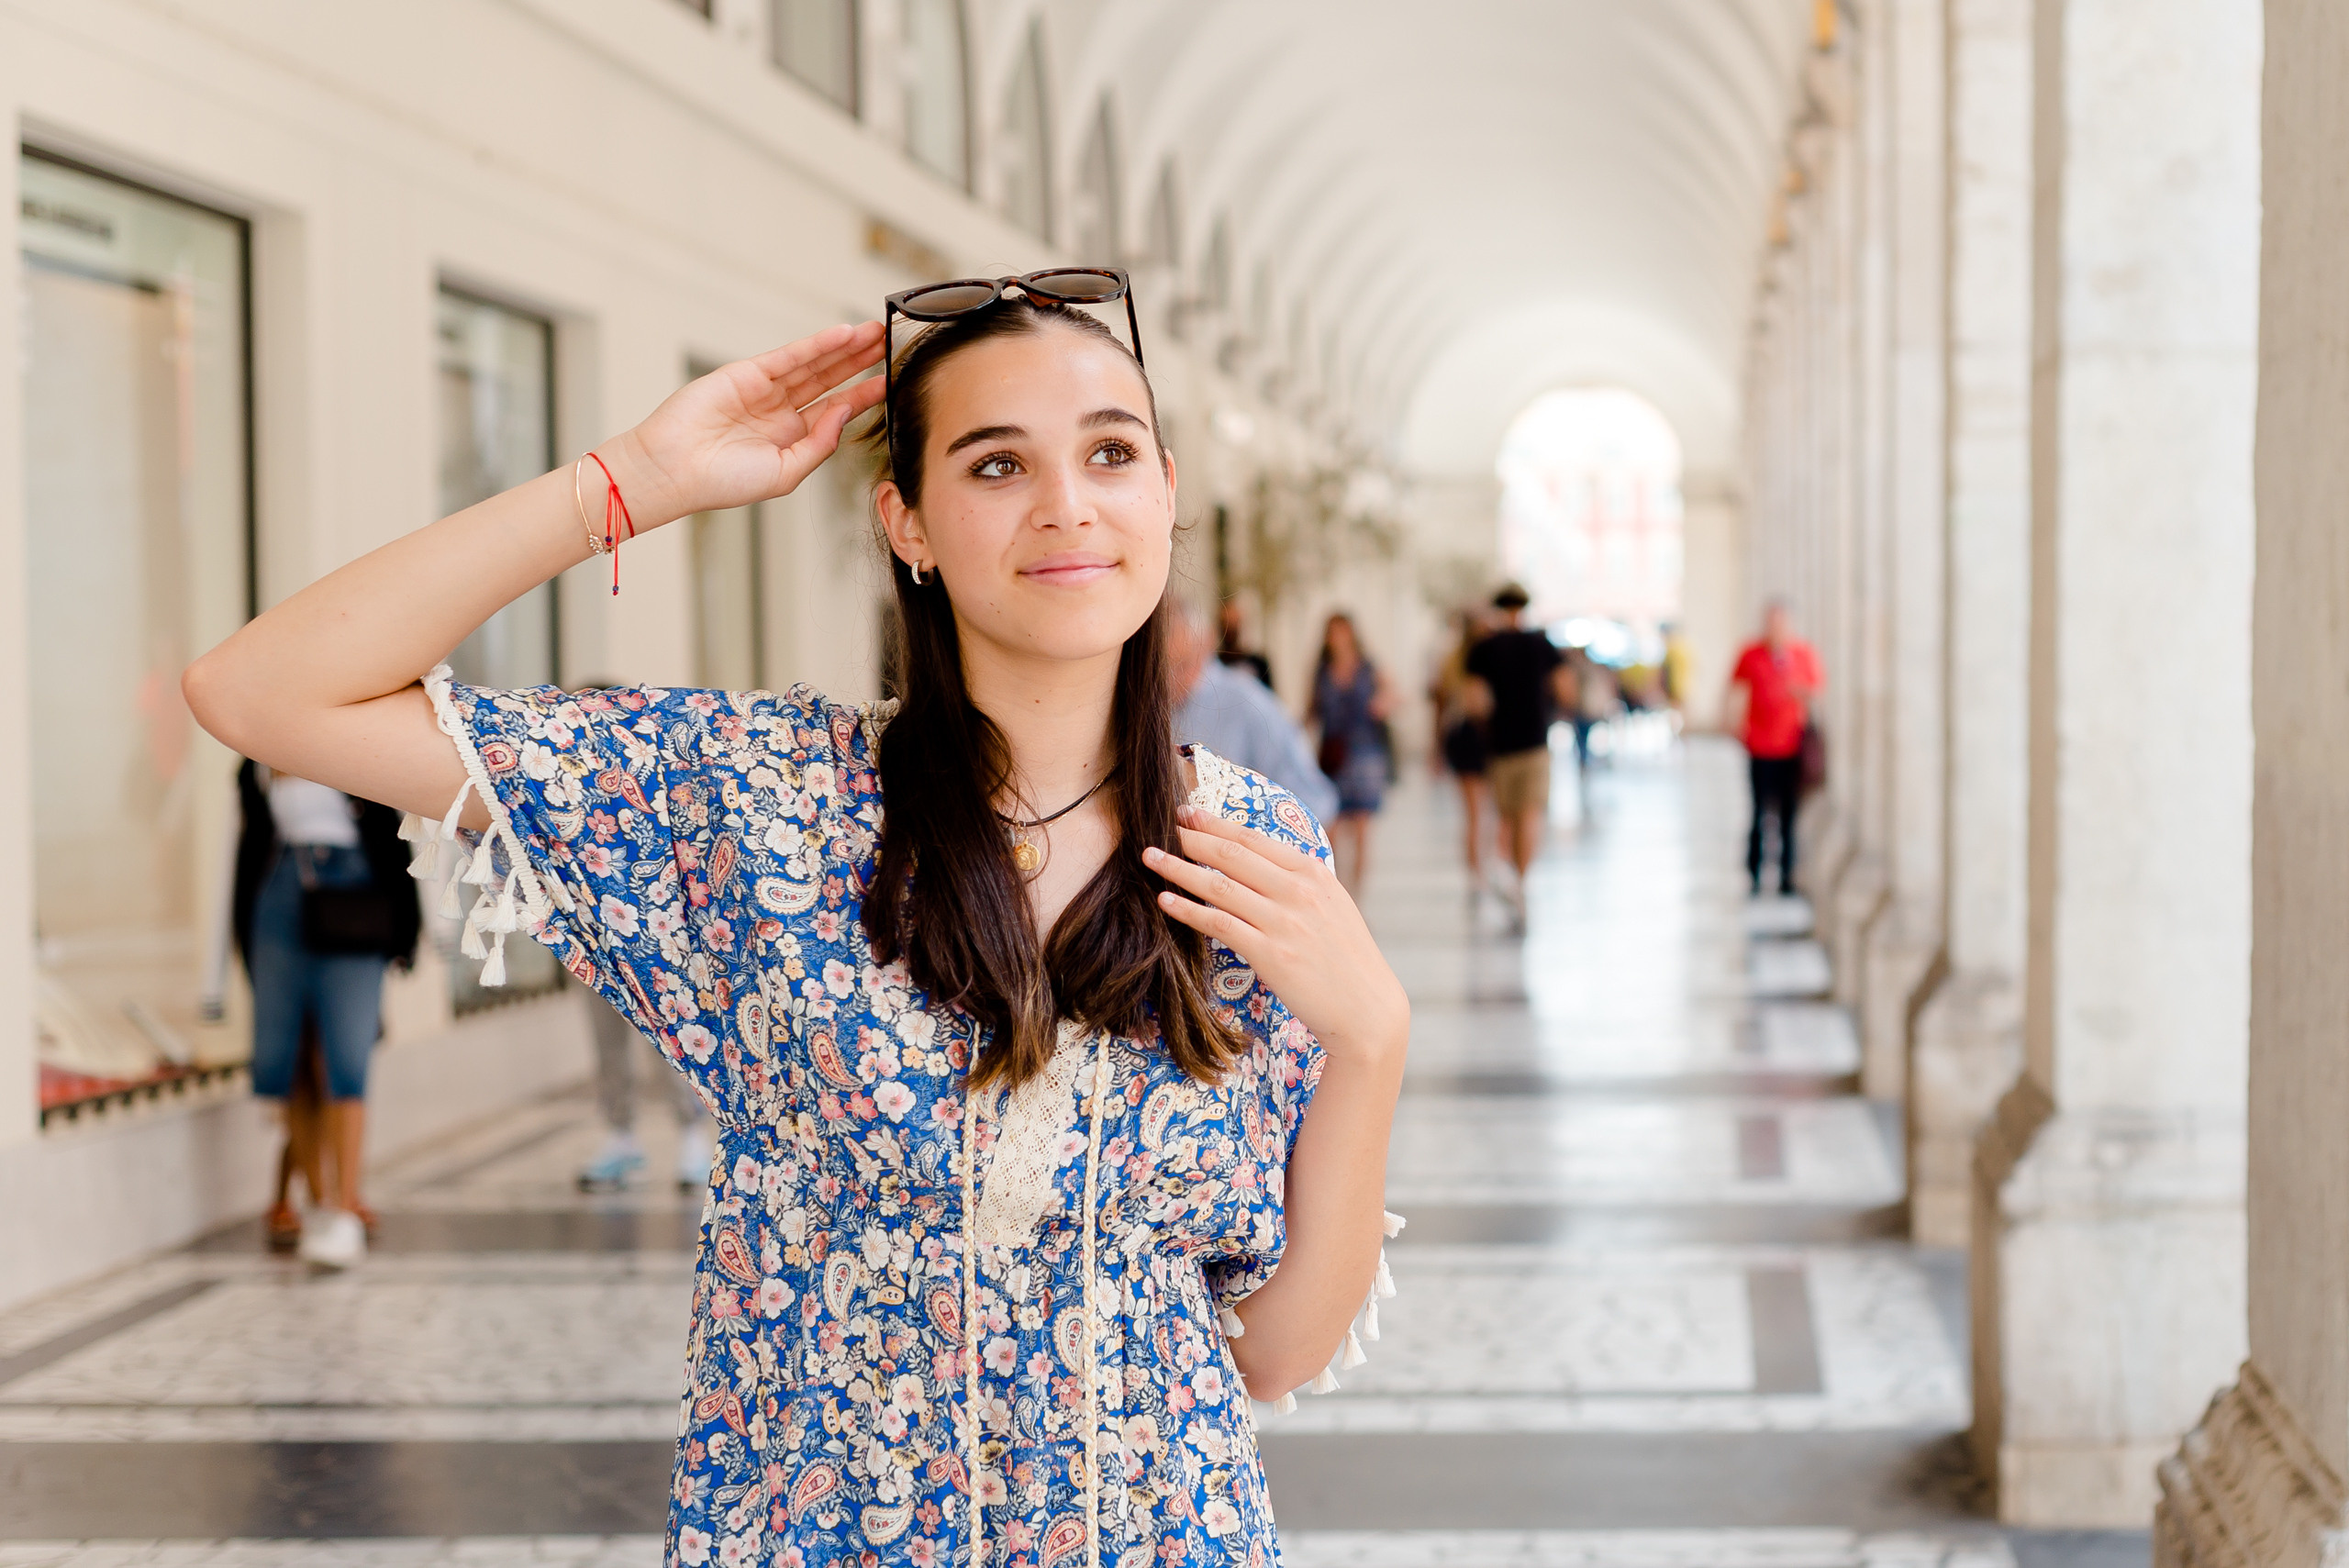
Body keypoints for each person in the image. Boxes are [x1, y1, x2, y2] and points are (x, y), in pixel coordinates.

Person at [183, 296, 1408, 1565]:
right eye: (997, 463)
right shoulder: (762, 799)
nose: (1067, 504)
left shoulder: (1249, 849)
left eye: (1110, 453)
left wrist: (1373, 1040)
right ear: (908, 521)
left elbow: (1273, 1351)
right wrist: (633, 481)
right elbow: (258, 689)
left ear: (1164, 491)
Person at [231, 760, 419, 1268]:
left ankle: (344, 1207)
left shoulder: (345, 738)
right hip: (278, 899)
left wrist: (407, 930)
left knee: (346, 1056)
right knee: (288, 1059)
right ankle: (318, 1203)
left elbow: (392, 832)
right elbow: (246, 847)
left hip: (355, 895)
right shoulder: (253, 761)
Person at [1170, 600, 1341, 822]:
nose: (1170, 681)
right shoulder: (1141, 707)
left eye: (1181, 666)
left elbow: (1313, 802)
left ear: (1205, 644)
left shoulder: (1247, 701)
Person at [1465, 584, 1573, 929]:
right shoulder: (1541, 644)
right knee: (1530, 815)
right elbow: (1565, 689)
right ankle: (1522, 882)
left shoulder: (1484, 649)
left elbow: (1475, 700)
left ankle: (1513, 876)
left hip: (1501, 745)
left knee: (1507, 817)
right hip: (1535, 743)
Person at [1725, 598, 1824, 895]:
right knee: (1757, 812)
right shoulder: (1751, 653)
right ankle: (1754, 872)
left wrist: (1798, 690)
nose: (1775, 629)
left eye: (1780, 623)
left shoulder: (1802, 654)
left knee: (1788, 815)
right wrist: (1730, 723)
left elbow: (1817, 689)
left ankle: (1786, 875)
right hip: (1759, 745)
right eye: (1770, 623)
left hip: (1791, 746)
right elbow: (1734, 689)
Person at [1308, 611, 1397, 895]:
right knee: (1330, 830)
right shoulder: (1322, 670)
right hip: (1333, 755)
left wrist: (1383, 703)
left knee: (1361, 830)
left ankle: (1356, 897)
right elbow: (1311, 709)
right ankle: (1338, 890)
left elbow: (1393, 692)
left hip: (1365, 755)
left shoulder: (1368, 667)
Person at [1429, 608, 1494, 897]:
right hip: (1475, 735)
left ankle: (1478, 871)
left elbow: (1440, 706)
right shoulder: (1474, 659)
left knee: (1476, 814)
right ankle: (1479, 870)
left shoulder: (1452, 660)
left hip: (1466, 735)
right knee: (1480, 813)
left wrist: (1437, 747)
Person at [1217, 598, 1275, 690]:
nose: (1230, 630)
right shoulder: (1213, 664)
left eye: (1235, 624)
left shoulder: (1258, 663)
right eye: (1226, 625)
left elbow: (1269, 698)